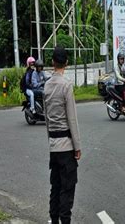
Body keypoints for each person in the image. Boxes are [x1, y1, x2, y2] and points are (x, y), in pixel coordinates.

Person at [43, 46, 81, 224]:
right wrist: (77, 147)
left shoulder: (46, 86)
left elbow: (47, 119)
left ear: (52, 62)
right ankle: (65, 221)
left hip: (53, 145)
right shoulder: (66, 86)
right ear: (66, 62)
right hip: (66, 146)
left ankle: (53, 220)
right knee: (67, 188)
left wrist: (50, 141)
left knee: (55, 187)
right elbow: (72, 119)